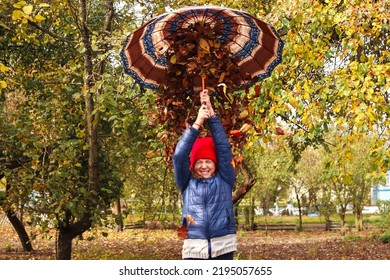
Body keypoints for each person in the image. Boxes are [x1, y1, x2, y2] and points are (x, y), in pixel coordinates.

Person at [173, 89, 237, 260]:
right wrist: (198, 122)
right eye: (199, 162)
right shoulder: (187, 182)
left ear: (215, 163)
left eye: (208, 161)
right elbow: (179, 157)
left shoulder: (225, 178)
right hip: (194, 249)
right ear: (193, 165)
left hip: (223, 248)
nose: (204, 166)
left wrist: (212, 115)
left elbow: (223, 149)